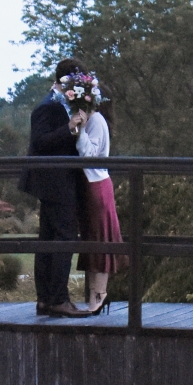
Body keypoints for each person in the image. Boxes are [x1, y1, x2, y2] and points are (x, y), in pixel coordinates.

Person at [19, 59, 91, 317]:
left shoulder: (60, 104)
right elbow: (40, 141)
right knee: (64, 236)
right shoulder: (48, 106)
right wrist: (69, 127)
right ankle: (58, 299)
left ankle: (46, 299)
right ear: (68, 81)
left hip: (56, 181)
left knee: (49, 239)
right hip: (54, 182)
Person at [75, 93, 124, 314]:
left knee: (100, 240)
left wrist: (80, 130)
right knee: (92, 240)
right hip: (91, 185)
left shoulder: (95, 121)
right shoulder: (93, 120)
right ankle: (95, 296)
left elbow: (89, 154)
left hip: (96, 185)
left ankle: (99, 295)